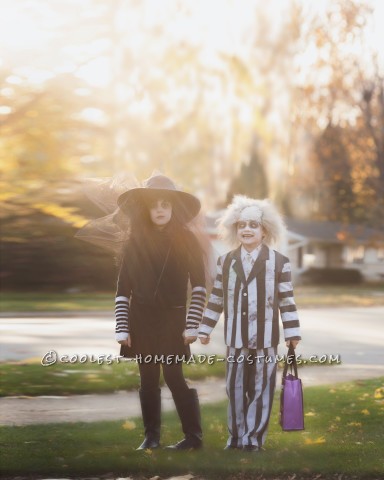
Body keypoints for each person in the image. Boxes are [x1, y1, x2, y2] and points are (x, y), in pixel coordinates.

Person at [198, 195, 301, 452]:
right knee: (234, 390)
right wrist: (205, 327)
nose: (246, 229)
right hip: (235, 340)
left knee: (260, 390)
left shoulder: (279, 263)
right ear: (235, 229)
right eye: (242, 225)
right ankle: (235, 437)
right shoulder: (227, 262)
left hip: (266, 340)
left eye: (253, 225)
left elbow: (287, 300)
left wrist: (292, 331)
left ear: (264, 230)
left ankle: (253, 439)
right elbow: (216, 298)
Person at [115, 173, 207, 451]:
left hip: (174, 318)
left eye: (165, 205)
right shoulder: (134, 242)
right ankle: (151, 437)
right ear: (146, 209)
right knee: (148, 377)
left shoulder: (187, 240)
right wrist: (123, 327)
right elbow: (122, 289)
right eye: (154, 205)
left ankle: (193, 438)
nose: (159, 210)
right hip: (141, 318)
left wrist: (192, 325)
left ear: (173, 209)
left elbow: (200, 286)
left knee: (173, 375)